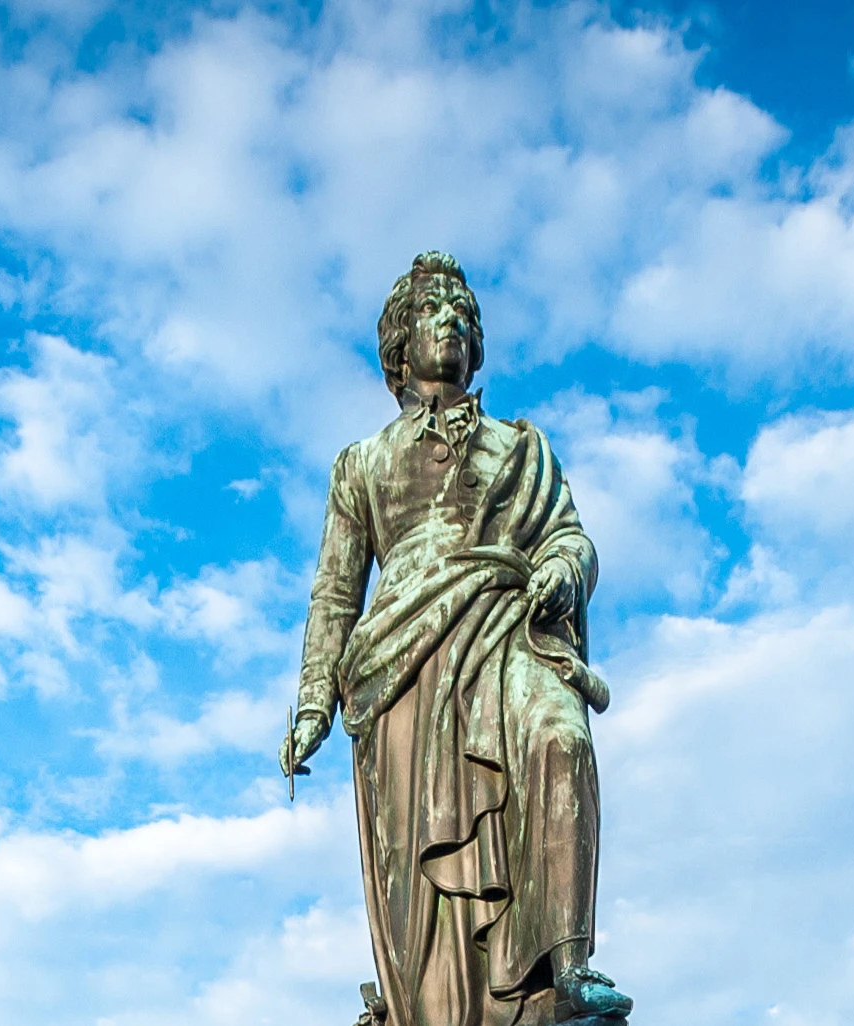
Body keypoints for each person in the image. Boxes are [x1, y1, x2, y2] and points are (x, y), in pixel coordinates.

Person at [282, 252, 631, 1026]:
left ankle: (566, 967)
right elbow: (336, 589)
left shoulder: (522, 449)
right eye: (433, 312)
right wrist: (312, 703)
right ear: (398, 349)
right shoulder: (362, 464)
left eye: (462, 314)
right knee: (424, 897)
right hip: (400, 668)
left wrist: (564, 571)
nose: (451, 322)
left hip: (509, 632)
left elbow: (568, 538)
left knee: (561, 739)